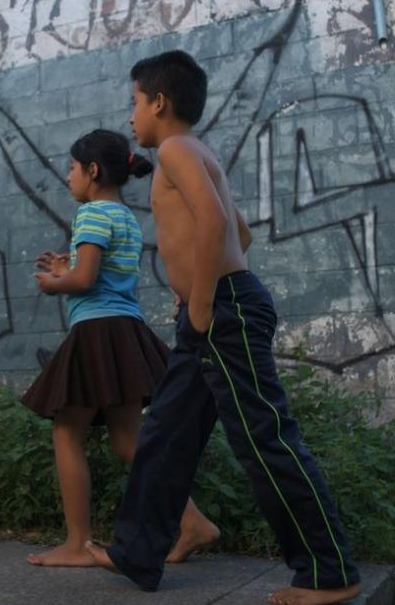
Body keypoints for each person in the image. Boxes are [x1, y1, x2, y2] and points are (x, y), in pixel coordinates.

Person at [85, 51, 361, 605]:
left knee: (264, 436)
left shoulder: (178, 150)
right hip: (213, 311)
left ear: (158, 103)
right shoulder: (194, 152)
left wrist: (204, 299)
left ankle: (330, 571)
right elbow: (240, 231)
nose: (131, 116)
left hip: (222, 312)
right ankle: (138, 549)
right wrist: (193, 292)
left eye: (133, 103)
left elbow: (214, 223)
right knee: (164, 431)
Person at [23, 128, 218, 568]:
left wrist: (56, 282)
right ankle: (192, 522)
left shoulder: (91, 215)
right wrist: (69, 266)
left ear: (92, 171)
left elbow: (87, 281)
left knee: (67, 430)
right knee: (129, 440)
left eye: (72, 168)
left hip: (97, 331)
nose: (68, 177)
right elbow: (104, 272)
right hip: (124, 331)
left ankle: (78, 544)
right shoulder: (125, 216)